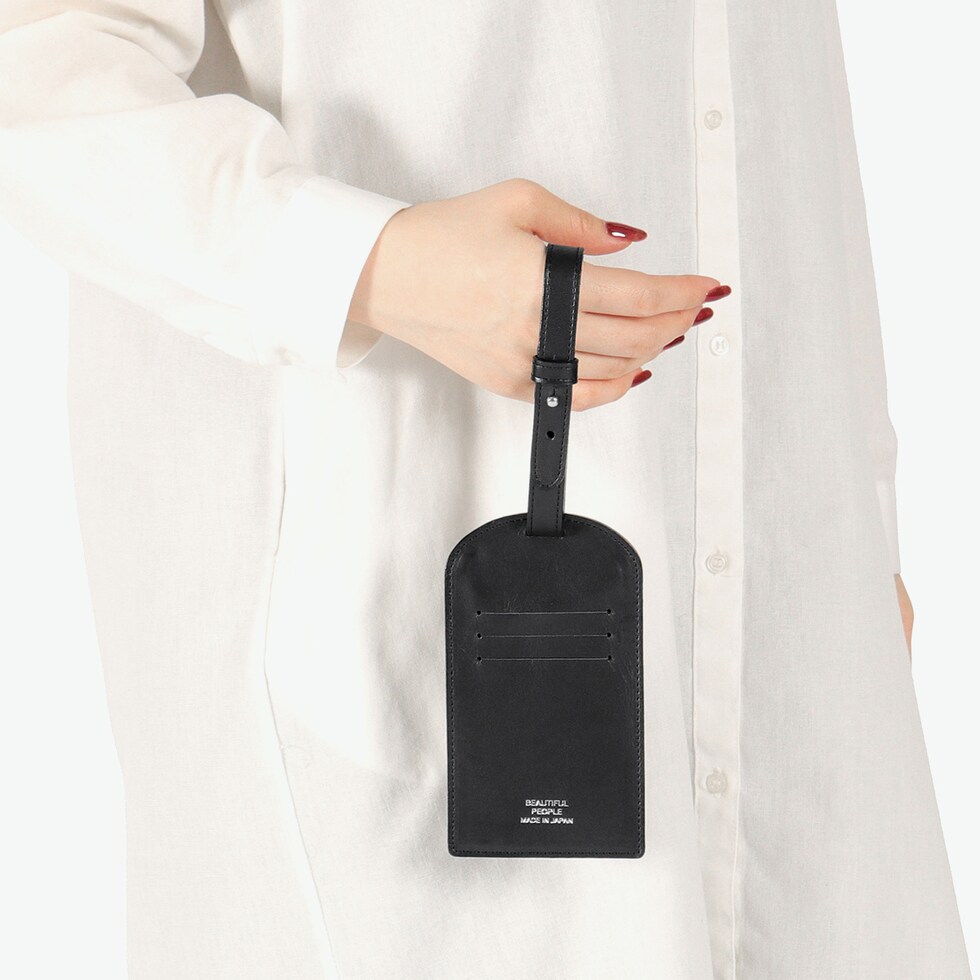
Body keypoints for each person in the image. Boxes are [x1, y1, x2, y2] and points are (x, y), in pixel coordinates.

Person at [0, 1, 970, 978]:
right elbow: (36, 64)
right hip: (390, 603)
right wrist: (375, 263)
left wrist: (858, 510)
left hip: (786, 628)